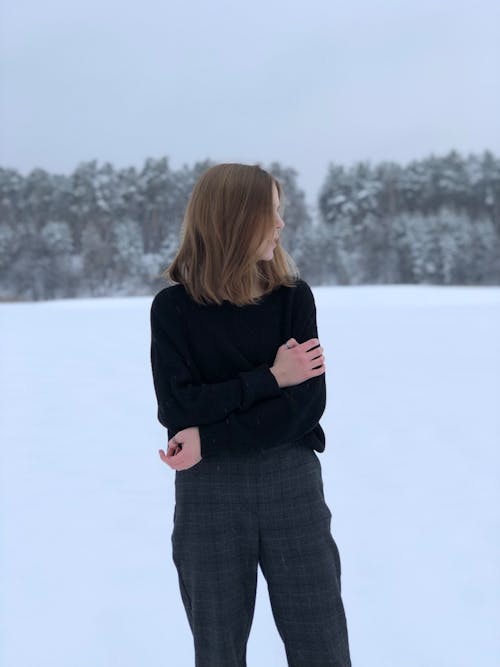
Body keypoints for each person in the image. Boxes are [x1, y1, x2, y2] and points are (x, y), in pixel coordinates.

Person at [149, 163, 351, 666]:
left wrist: (210, 437)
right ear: (235, 220)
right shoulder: (173, 310)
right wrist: (271, 378)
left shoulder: (293, 298)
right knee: (218, 650)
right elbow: (178, 407)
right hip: (209, 496)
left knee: (321, 645)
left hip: (291, 484)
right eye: (272, 213)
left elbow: (306, 407)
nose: (282, 225)